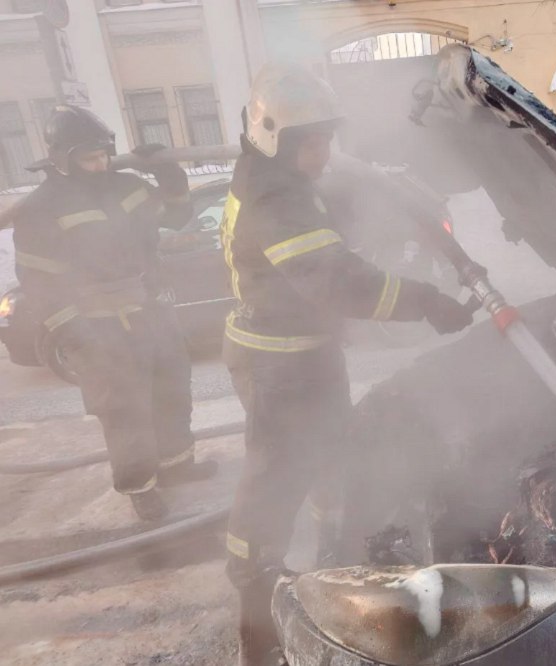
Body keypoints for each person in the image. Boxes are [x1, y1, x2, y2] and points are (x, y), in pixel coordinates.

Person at [222, 64, 474, 665]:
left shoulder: (278, 173)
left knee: (328, 455)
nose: (322, 152)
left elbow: (333, 218)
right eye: (310, 142)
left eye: (326, 139)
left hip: (303, 355)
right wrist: (427, 302)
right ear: (271, 135)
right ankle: (256, 591)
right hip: (277, 365)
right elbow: (338, 282)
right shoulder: (274, 197)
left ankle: (329, 548)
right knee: (275, 474)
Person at [12, 106, 217, 521]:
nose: (101, 164)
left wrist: (168, 173)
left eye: (105, 154)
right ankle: (140, 487)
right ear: (62, 159)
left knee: (171, 390)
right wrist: (72, 331)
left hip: (149, 310)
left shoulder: (127, 186)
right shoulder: (42, 208)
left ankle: (177, 466)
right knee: (124, 412)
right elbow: (37, 281)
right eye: (90, 158)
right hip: (98, 327)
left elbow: (177, 215)